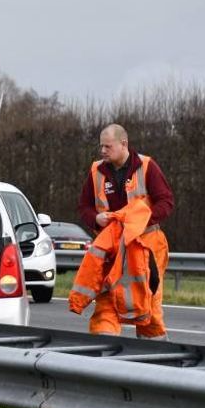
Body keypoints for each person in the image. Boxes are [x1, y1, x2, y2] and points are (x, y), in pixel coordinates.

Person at [75, 124, 174, 339]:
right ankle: (104, 357)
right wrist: (95, 218)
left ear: (124, 144)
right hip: (111, 247)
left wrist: (139, 219)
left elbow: (166, 202)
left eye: (107, 146)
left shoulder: (147, 167)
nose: (103, 151)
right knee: (106, 301)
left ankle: (156, 363)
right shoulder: (96, 171)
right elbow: (84, 206)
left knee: (148, 301)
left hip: (146, 245)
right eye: (101, 146)